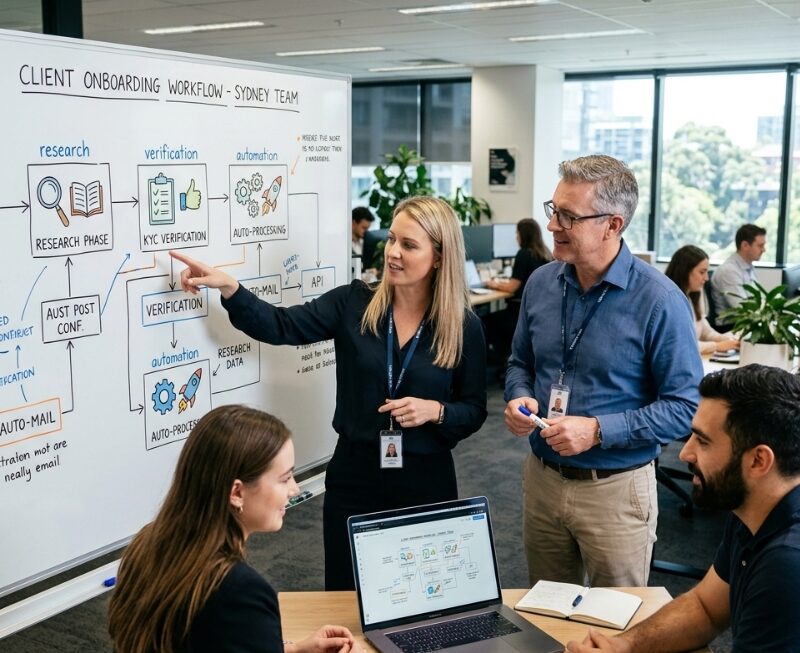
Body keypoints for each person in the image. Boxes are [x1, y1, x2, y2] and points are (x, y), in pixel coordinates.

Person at [170, 196, 487, 590]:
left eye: (409, 245)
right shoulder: (353, 303)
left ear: (439, 258)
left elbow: (473, 410)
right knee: (344, 593)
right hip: (355, 474)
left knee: (422, 593)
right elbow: (282, 326)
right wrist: (232, 288)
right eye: (390, 239)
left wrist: (436, 411)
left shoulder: (462, 326)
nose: (392, 253)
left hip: (426, 478)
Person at [503, 154, 703, 587]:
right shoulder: (541, 283)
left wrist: (597, 430)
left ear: (612, 225)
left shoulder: (660, 301)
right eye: (553, 211)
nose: (553, 225)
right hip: (542, 479)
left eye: (569, 216)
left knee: (616, 625)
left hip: (615, 490)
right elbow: (520, 362)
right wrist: (518, 394)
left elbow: (686, 407)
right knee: (547, 616)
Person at [566, 364, 800, 653]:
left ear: (758, 461)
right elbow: (705, 608)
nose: (684, 453)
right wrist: (622, 646)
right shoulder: (753, 508)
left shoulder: (787, 564)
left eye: (702, 441)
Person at [108, 405, 358, 653]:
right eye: (284, 479)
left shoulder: (147, 544)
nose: (295, 489)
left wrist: (291, 649)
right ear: (237, 493)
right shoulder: (240, 592)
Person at [484, 219, 552, 369]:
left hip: (518, 313)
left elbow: (512, 287)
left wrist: (493, 284)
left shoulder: (524, 254)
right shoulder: (546, 253)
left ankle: (495, 361)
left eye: (517, 232)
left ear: (523, 235)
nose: (516, 236)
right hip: (539, 313)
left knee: (482, 321)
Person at [664, 245, 740, 355]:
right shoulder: (669, 302)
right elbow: (681, 345)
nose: (706, 278)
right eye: (702, 272)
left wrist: (729, 340)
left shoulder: (693, 295)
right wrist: (717, 346)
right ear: (684, 271)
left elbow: (705, 331)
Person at [710, 223, 767, 320]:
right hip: (730, 327)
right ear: (745, 245)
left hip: (748, 322)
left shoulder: (748, 267)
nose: (764, 250)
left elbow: (758, 300)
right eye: (760, 246)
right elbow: (741, 309)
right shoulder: (729, 271)